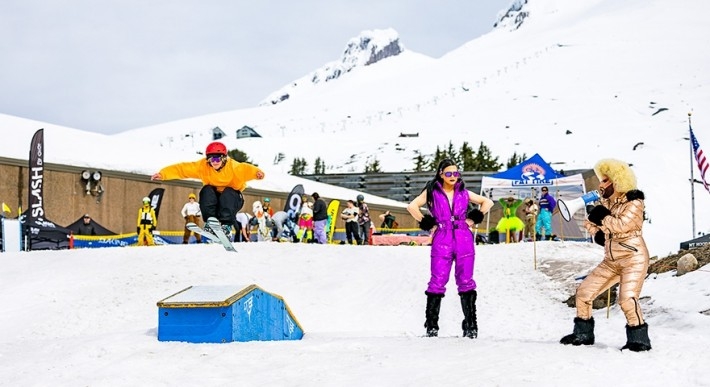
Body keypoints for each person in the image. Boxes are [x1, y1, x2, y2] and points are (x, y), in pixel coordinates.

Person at [560, 158, 652, 352]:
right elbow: (591, 223)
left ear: (617, 182)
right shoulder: (606, 202)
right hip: (611, 260)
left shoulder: (634, 202)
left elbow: (622, 225)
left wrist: (601, 216)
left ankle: (639, 339)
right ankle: (583, 333)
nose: (600, 185)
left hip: (632, 258)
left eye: (604, 181)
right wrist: (597, 229)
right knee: (584, 293)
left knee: (627, 299)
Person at [407, 159, 494, 338]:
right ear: (440, 174)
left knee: (466, 280)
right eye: (448, 173)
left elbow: (488, 202)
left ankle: (470, 325)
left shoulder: (464, 192)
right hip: (442, 237)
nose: (453, 176)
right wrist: (427, 224)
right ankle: (432, 326)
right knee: (437, 280)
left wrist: (473, 218)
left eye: (455, 173)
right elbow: (412, 206)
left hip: (464, 237)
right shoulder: (431, 192)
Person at [150, 141, 264, 238]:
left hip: (233, 200)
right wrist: (163, 174)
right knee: (206, 189)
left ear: (224, 158)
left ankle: (226, 227)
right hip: (214, 202)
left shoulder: (234, 167)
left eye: (217, 158)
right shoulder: (203, 166)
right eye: (211, 159)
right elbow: (183, 169)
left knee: (228, 192)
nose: (214, 162)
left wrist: (257, 174)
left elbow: (246, 169)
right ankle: (211, 222)